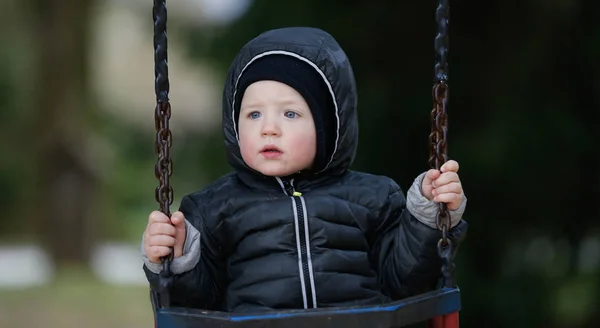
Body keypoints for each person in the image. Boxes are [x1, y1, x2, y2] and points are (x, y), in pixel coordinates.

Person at [142, 26, 467, 313]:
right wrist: (175, 261)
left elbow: (405, 280)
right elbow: (197, 307)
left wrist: (428, 214)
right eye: (254, 114)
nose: (269, 128)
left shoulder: (373, 198)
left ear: (327, 127)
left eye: (290, 114)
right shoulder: (212, 210)